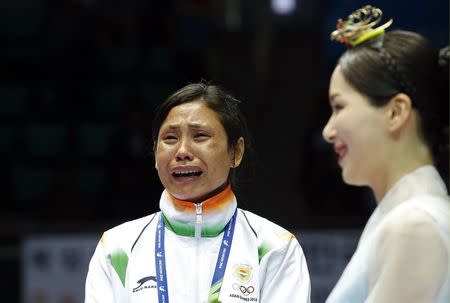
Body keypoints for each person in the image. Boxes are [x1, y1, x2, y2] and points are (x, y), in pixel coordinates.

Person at [85, 82, 311, 302]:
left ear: (236, 152)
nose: (182, 151)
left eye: (200, 136)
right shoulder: (117, 248)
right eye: (170, 138)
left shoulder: (275, 248)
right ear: (155, 154)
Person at [322, 5, 449, 303]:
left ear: (396, 111)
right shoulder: (406, 217)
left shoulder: (414, 225)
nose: (328, 131)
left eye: (339, 107)